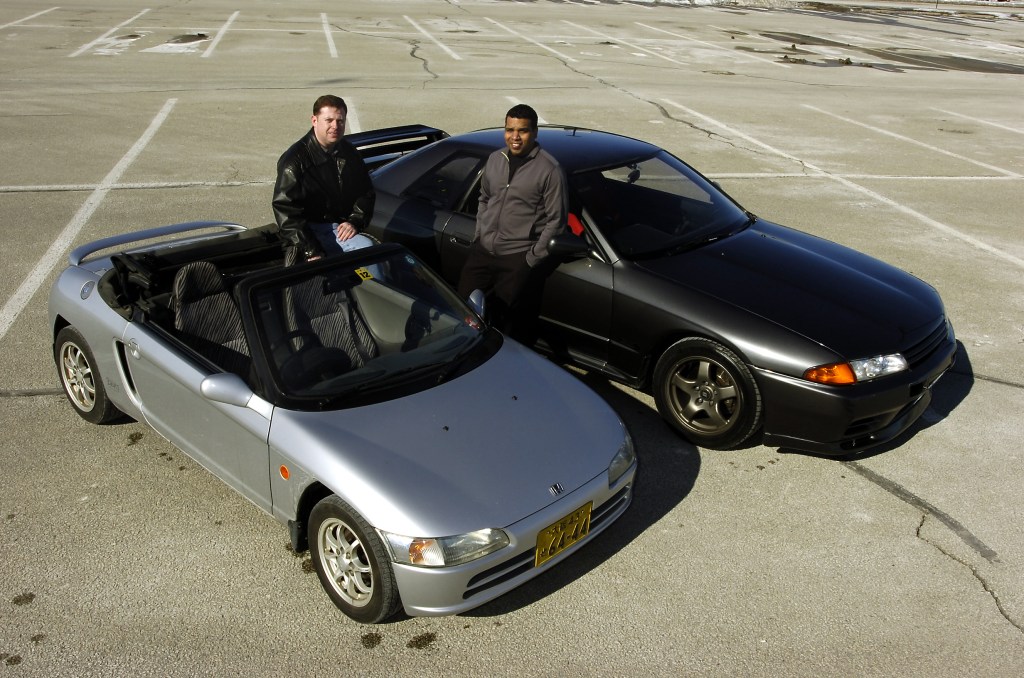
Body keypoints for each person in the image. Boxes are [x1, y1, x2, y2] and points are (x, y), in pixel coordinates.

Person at [457, 104, 568, 343]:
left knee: (507, 324)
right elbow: (484, 198)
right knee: (464, 310)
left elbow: (556, 221)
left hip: (516, 258)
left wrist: (530, 259)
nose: (515, 137)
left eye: (522, 131)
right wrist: (480, 234)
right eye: (510, 130)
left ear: (535, 132)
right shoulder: (495, 159)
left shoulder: (550, 170)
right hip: (482, 251)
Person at [272, 95, 375, 261]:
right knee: (365, 249)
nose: (335, 126)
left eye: (340, 121)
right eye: (329, 120)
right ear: (314, 120)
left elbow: (365, 192)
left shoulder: (349, 153)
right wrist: (309, 249)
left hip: (339, 225)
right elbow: (286, 211)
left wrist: (355, 221)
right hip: (310, 230)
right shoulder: (294, 162)